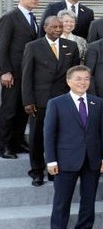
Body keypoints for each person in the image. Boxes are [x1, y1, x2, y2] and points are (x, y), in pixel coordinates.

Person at [44, 65, 103, 229]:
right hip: (65, 160)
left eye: (86, 79)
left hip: (92, 159)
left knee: (88, 201)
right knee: (61, 201)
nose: (83, 82)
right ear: (68, 81)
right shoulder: (56, 103)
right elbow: (49, 134)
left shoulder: (97, 102)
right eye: (78, 79)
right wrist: (51, 161)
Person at [22, 16, 80, 186]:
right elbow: (26, 76)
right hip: (40, 101)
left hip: (63, 99)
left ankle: (54, 169)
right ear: (45, 27)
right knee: (37, 137)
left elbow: (75, 74)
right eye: (54, 26)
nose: (58, 29)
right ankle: (37, 171)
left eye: (60, 26)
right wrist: (28, 101)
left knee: (60, 137)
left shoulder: (71, 46)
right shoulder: (33, 47)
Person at [0, 0, 40, 159]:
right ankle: (5, 145)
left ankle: (18, 142)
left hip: (28, 73)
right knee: (9, 110)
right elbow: (2, 47)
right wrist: (5, 71)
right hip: (13, 73)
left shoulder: (33, 18)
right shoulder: (10, 17)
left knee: (24, 108)